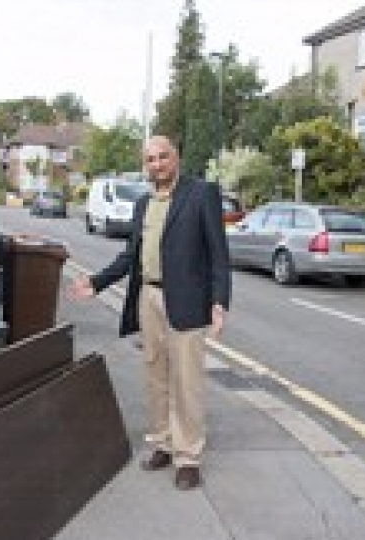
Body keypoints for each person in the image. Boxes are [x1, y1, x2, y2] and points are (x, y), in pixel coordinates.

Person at [69, 135, 231, 490]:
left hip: (187, 300)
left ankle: (188, 457)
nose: (157, 164)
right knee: (155, 375)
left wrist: (219, 301)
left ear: (176, 157)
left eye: (163, 157)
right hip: (149, 297)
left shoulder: (201, 194)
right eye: (150, 159)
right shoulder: (143, 204)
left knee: (186, 382)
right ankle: (162, 442)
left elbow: (219, 254)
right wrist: (96, 282)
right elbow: (130, 256)